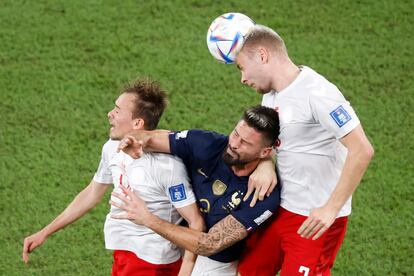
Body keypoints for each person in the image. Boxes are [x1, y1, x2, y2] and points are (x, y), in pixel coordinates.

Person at [22, 79, 204, 276]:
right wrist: (45, 232)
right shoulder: (111, 148)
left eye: (117, 110)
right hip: (123, 252)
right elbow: (92, 193)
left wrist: (185, 272)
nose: (110, 114)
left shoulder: (167, 166)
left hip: (154, 261)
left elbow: (195, 221)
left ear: (137, 123)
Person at [233, 24, 375, 275]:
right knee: (248, 271)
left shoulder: (318, 94)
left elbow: (362, 150)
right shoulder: (272, 95)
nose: (242, 78)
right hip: (281, 209)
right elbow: (274, 142)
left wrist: (330, 209)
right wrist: (266, 164)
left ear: (263, 56)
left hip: (314, 220)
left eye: (242, 67)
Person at [110, 105, 281, 276]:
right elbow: (150, 137)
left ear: (264, 152)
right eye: (236, 134)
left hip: (214, 262)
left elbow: (209, 244)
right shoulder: (207, 143)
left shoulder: (264, 195)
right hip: (177, 240)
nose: (234, 144)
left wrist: (147, 219)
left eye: (245, 143)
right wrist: (134, 139)